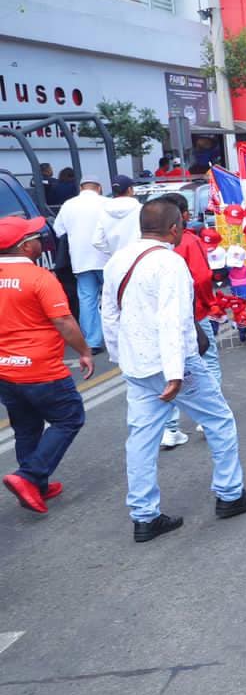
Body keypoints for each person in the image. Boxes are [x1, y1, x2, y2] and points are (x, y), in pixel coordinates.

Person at [102, 199, 246, 542]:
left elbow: (109, 314)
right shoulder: (170, 262)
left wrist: (121, 356)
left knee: (142, 439)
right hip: (173, 363)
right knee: (219, 420)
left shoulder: (118, 260)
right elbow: (173, 319)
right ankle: (230, 494)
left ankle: (144, 517)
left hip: (138, 364)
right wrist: (175, 373)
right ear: (174, 229)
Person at [0, 215, 92, 515]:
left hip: (6, 370)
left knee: (26, 429)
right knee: (69, 418)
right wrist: (84, 351)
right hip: (41, 369)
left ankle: (35, 487)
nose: (40, 240)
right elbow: (64, 321)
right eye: (35, 237)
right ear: (25, 247)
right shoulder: (40, 278)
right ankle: (29, 477)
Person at [159, 193, 222, 449]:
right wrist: (210, 304)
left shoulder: (150, 247)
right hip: (194, 314)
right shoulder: (189, 241)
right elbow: (202, 278)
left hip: (164, 320)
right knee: (208, 362)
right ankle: (209, 418)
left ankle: (170, 428)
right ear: (183, 216)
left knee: (170, 370)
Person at [52, 179, 109, 353]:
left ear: (80, 187)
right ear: (99, 188)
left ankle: (92, 341)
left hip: (81, 260)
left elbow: (58, 229)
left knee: (87, 299)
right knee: (112, 299)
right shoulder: (106, 203)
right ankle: (118, 338)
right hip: (106, 259)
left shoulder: (69, 205)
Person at [92, 175, 142, 260]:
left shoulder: (104, 211)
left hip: (117, 261)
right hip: (139, 259)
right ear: (130, 190)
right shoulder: (141, 209)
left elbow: (96, 241)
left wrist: (113, 252)